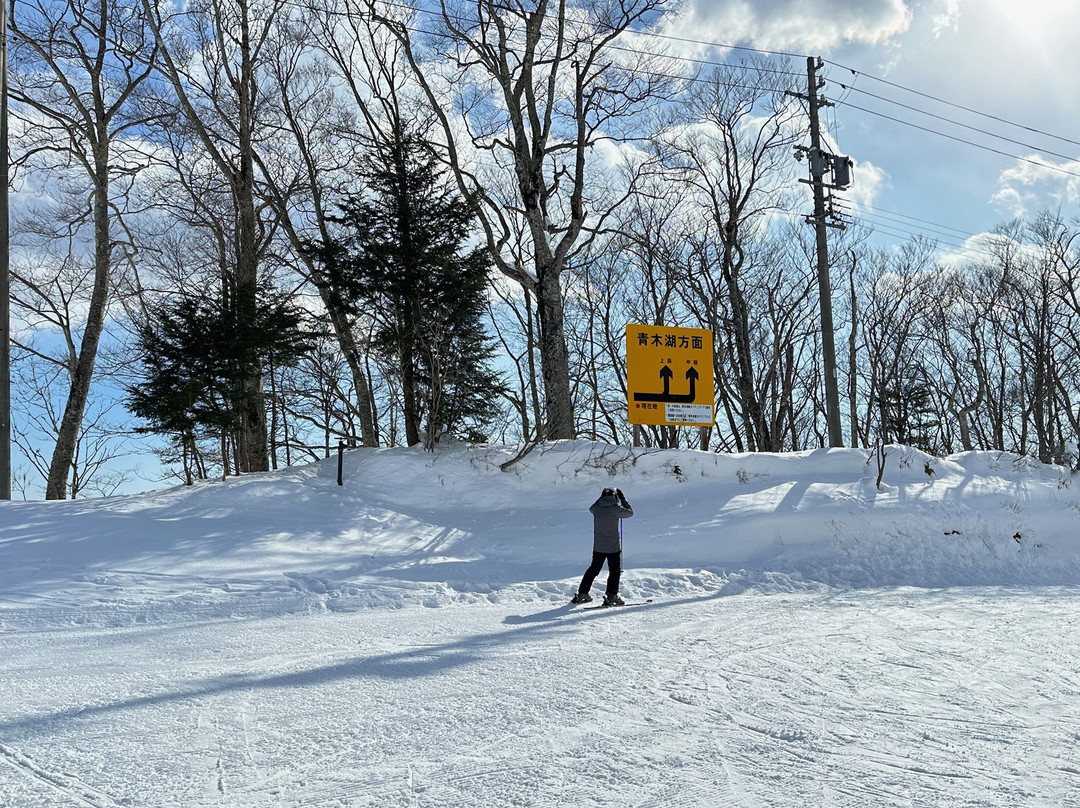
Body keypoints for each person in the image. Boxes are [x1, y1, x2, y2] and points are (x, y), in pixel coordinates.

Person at [571, 487, 633, 606]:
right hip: (613, 547)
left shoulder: (596, 508)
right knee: (614, 571)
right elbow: (630, 513)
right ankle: (612, 595)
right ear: (615, 497)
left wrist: (602, 498)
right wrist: (623, 499)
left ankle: (583, 592)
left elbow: (592, 508)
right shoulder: (616, 509)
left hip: (598, 547)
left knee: (593, 569)